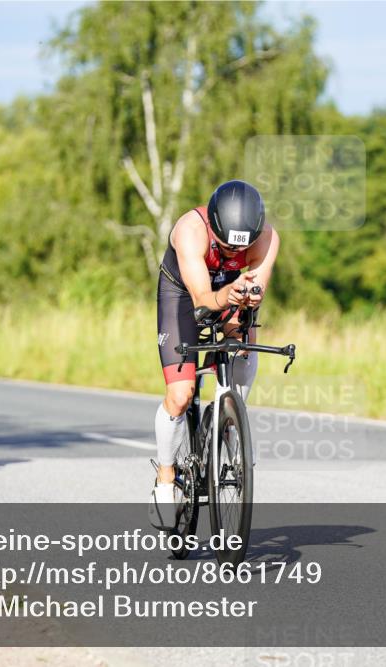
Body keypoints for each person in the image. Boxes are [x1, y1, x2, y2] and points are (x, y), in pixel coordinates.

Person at [149, 180, 279, 528]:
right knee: (181, 395)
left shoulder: (267, 237)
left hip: (230, 292)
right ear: (214, 228)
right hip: (185, 295)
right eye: (223, 245)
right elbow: (204, 301)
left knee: (241, 344)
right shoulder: (190, 230)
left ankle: (231, 419)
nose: (231, 250)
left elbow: (256, 287)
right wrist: (229, 295)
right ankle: (165, 477)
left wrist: (249, 298)